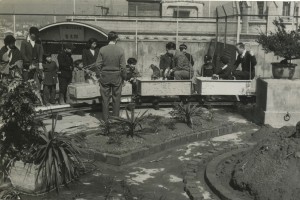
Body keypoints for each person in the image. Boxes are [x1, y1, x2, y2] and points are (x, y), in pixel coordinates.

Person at [95, 31, 126, 121]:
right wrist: (124, 78)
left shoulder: (102, 49)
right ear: (116, 39)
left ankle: (105, 119)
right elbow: (123, 67)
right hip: (116, 77)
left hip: (104, 77)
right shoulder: (120, 50)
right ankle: (116, 118)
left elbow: (97, 65)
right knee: (117, 98)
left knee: (105, 98)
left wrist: (98, 75)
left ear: (107, 39)